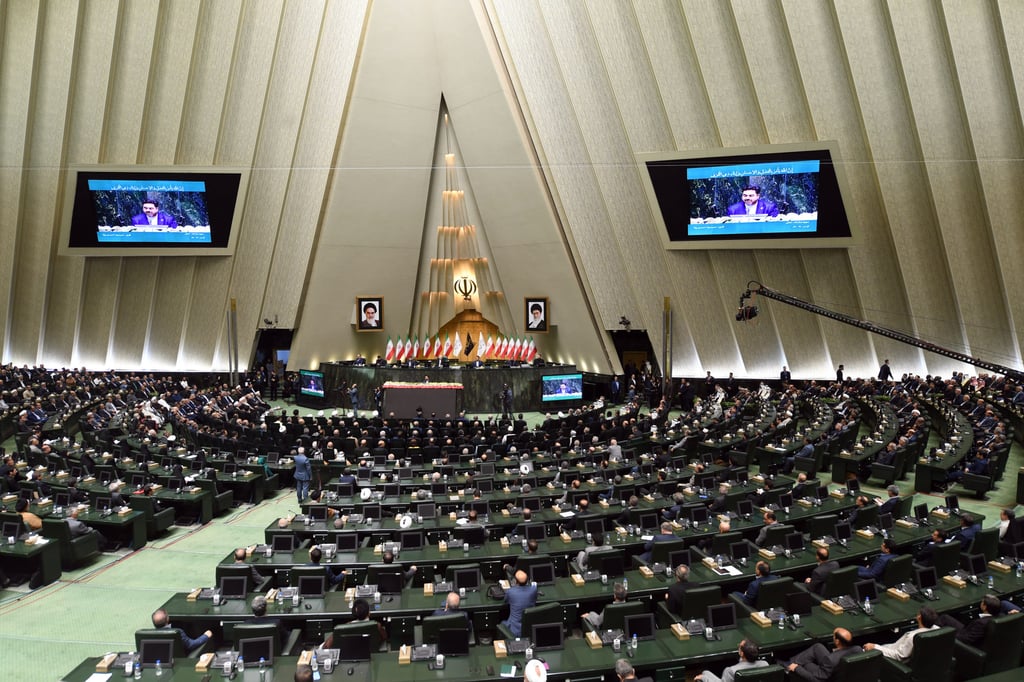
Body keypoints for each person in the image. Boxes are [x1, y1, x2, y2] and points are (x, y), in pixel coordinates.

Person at [782, 628, 862, 682]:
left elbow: (816, 680)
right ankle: (790, 663)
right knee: (818, 647)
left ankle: (789, 666)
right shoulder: (858, 649)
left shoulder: (830, 659)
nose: (832, 637)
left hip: (830, 676)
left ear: (837, 641)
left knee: (807, 664)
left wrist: (797, 668)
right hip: (836, 665)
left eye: (833, 636)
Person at [863, 607, 939, 661]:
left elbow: (898, 656)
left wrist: (875, 647)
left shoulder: (913, 637)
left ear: (919, 617)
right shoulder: (937, 629)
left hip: (892, 656)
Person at [695, 639, 768, 682]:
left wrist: (704, 678)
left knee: (705, 674)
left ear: (742, 653)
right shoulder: (764, 664)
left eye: (739, 647)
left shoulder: (731, 671)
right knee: (705, 672)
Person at [501, 569, 538, 637]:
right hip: (529, 628)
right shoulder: (534, 589)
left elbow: (505, 601)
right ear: (527, 580)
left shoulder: (510, 592)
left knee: (502, 623)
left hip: (514, 630)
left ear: (515, 581)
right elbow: (535, 598)